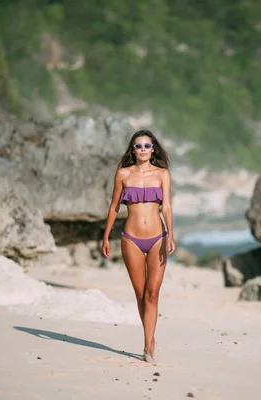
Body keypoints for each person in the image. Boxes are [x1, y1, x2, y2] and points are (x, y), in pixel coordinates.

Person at [101, 129, 176, 363]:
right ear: (132, 150)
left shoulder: (162, 174)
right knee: (141, 293)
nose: (142, 149)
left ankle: (147, 346)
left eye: (146, 145)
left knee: (153, 294)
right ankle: (149, 335)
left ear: (153, 148)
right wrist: (105, 237)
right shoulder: (123, 174)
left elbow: (167, 207)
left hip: (158, 238)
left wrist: (171, 235)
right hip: (131, 239)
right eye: (138, 146)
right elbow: (114, 207)